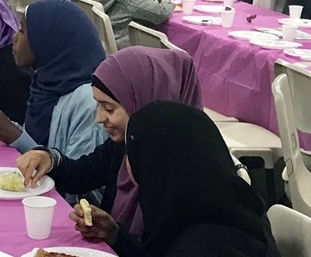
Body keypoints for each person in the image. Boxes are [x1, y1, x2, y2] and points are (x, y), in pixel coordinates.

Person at [15, 47, 203, 240]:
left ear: (144, 102)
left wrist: (116, 236)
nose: (99, 118)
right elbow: (82, 175)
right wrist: (50, 159)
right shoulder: (126, 145)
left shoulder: (187, 178)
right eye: (98, 105)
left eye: (109, 108)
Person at [80, 101, 280, 257]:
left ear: (153, 164)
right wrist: (115, 235)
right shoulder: (234, 206)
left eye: (131, 153)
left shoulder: (202, 246)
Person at [0, 0, 108, 164]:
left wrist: (14, 134)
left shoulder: (88, 101)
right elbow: (34, 141)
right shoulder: (45, 82)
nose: (14, 37)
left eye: (22, 30)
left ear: (47, 39)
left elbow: (77, 183)